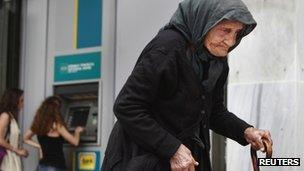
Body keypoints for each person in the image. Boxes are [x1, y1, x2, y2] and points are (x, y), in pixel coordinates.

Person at [102, 0, 273, 170]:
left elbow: (213, 111)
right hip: (141, 159)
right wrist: (173, 149)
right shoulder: (167, 47)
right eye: (225, 30)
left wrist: (246, 131)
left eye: (237, 33)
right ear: (205, 22)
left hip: (188, 160)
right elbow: (127, 106)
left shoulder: (217, 60)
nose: (230, 41)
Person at [23, 96, 84, 171]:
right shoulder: (57, 126)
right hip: (56, 166)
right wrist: (77, 131)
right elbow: (75, 142)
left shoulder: (38, 124)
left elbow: (25, 138)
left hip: (41, 166)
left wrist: (40, 146)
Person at [0, 88, 28, 171]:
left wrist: (19, 150)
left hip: (12, 157)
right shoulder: (5, 116)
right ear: (14, 100)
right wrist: (17, 150)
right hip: (6, 160)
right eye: (21, 100)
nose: (23, 103)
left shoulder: (12, 117)